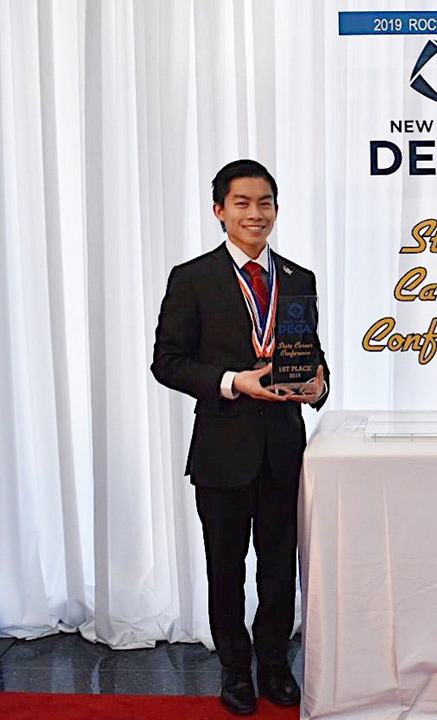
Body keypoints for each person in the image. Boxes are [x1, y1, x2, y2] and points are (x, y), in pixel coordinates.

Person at [151, 159, 328, 716]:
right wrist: (232, 382)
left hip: (283, 452)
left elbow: (311, 356)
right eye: (243, 204)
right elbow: (167, 363)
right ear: (219, 211)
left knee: (280, 567)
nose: (256, 214)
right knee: (225, 568)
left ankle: (274, 665)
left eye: (265, 203)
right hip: (222, 453)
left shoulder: (298, 279)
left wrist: (318, 384)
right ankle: (234, 669)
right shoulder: (193, 278)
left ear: (276, 209)